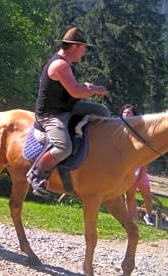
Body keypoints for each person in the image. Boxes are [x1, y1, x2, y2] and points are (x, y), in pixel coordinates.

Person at [27, 27, 109, 198]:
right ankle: (36, 175)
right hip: (50, 115)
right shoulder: (60, 65)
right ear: (75, 46)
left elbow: (74, 91)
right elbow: (76, 92)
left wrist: (86, 88)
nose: (84, 51)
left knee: (102, 111)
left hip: (67, 108)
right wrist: (94, 89)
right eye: (84, 47)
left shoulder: (66, 64)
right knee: (63, 148)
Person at [122, 104, 155, 226]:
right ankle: (131, 217)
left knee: (146, 195)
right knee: (129, 195)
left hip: (139, 168)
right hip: (127, 169)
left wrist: (142, 172)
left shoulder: (139, 133)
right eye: (124, 112)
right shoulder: (119, 131)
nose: (125, 114)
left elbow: (145, 155)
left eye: (128, 113)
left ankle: (149, 216)